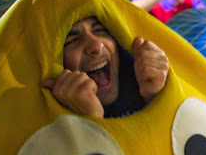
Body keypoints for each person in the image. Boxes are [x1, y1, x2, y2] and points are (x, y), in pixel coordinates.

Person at [41, 16, 169, 118]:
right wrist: (89, 121)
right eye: (72, 40)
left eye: (99, 30)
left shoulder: (141, 89)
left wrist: (155, 98)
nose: (97, 45)